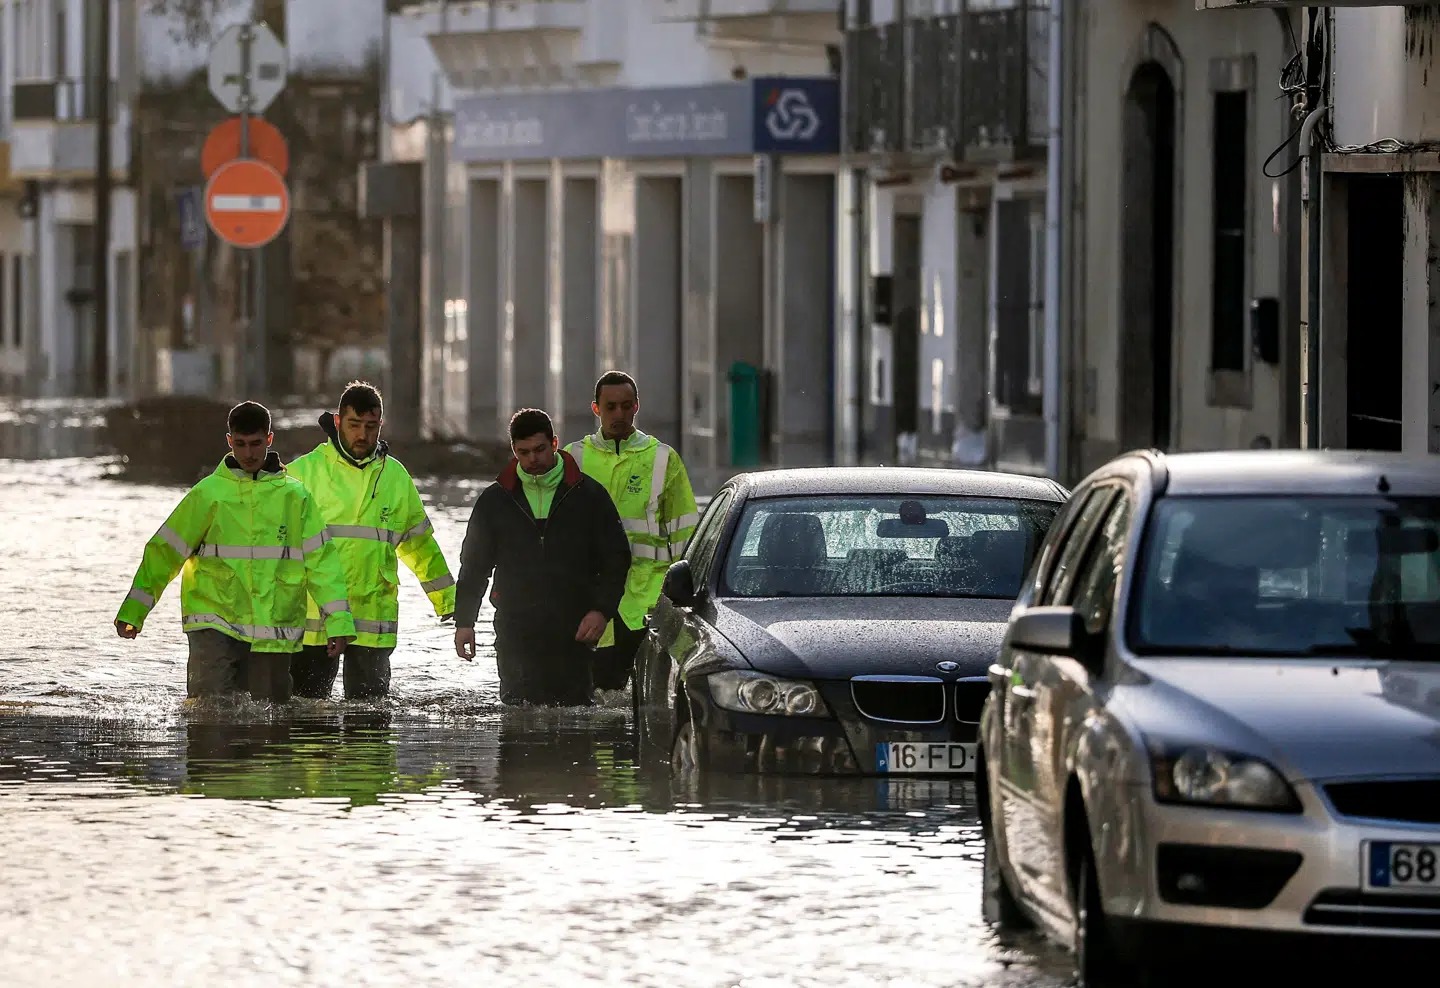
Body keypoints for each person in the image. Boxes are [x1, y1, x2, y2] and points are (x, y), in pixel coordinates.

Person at [113, 401, 356, 703]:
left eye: (255, 443)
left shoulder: (296, 497)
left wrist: (338, 622)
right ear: (229, 441)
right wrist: (134, 611)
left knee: (271, 718)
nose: (249, 453)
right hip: (215, 623)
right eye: (240, 444)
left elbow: (323, 563)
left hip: (273, 627)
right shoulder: (208, 494)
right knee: (209, 711)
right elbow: (164, 552)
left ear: (269, 439)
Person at [287, 381, 455, 700]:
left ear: (381, 425)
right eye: (354, 425)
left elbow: (419, 544)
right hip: (313, 619)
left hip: (372, 617)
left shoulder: (395, 477)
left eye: (371, 426)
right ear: (338, 422)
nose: (362, 435)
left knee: (370, 717)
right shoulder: (302, 474)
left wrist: (447, 600)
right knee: (306, 717)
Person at [453, 408, 631, 706]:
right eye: (523, 452)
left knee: (574, 718)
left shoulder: (588, 495)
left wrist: (601, 610)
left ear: (554, 443)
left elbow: (617, 559)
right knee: (517, 716)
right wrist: (465, 622)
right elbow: (474, 567)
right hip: (515, 629)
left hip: (574, 629)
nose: (532, 459)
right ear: (513, 450)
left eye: (539, 449)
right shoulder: (495, 500)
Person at [564, 371, 699, 690]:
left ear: (636, 406)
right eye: (610, 407)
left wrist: (688, 596)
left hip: (648, 597)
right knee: (597, 692)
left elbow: (685, 534)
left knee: (653, 694)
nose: (619, 414)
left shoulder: (663, 459)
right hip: (592, 597)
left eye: (626, 406)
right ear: (596, 409)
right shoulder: (573, 458)